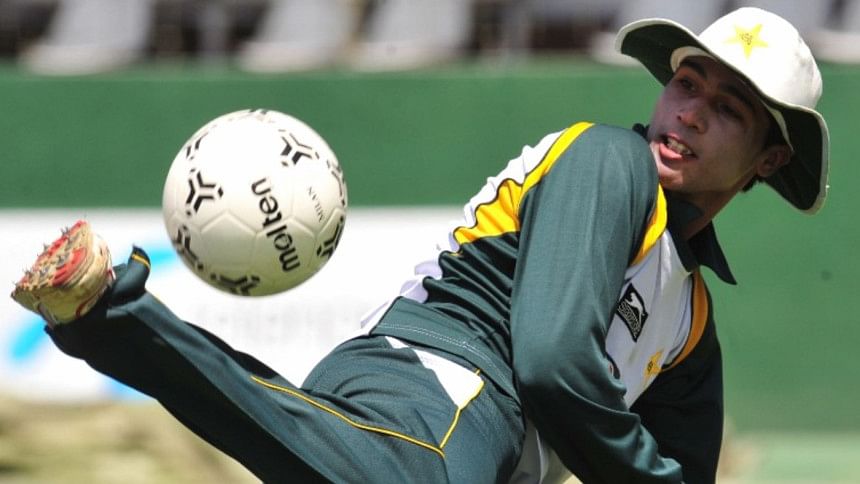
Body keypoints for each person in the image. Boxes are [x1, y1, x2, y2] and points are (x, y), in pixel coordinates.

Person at [10, 7, 829, 483]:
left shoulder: (688, 324)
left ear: (769, 159)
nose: (689, 112)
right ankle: (115, 316)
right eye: (686, 83)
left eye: (728, 108)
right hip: (433, 393)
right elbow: (550, 362)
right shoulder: (608, 158)